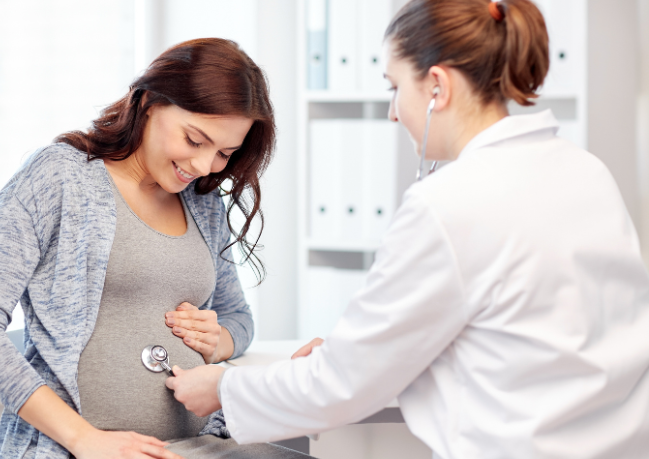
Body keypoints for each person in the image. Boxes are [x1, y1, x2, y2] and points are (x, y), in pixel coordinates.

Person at [166, 1, 649, 458]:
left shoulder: (451, 203)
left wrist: (224, 389)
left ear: (437, 86)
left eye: (395, 87)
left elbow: (343, 385)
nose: (394, 111)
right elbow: (534, 333)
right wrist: (366, 348)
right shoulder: (586, 172)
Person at [0, 38, 311, 459]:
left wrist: (219, 340)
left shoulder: (203, 204)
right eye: (194, 140)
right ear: (151, 102)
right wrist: (84, 439)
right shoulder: (60, 178)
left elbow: (238, 319)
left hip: (203, 444)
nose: (203, 166)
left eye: (224, 153)